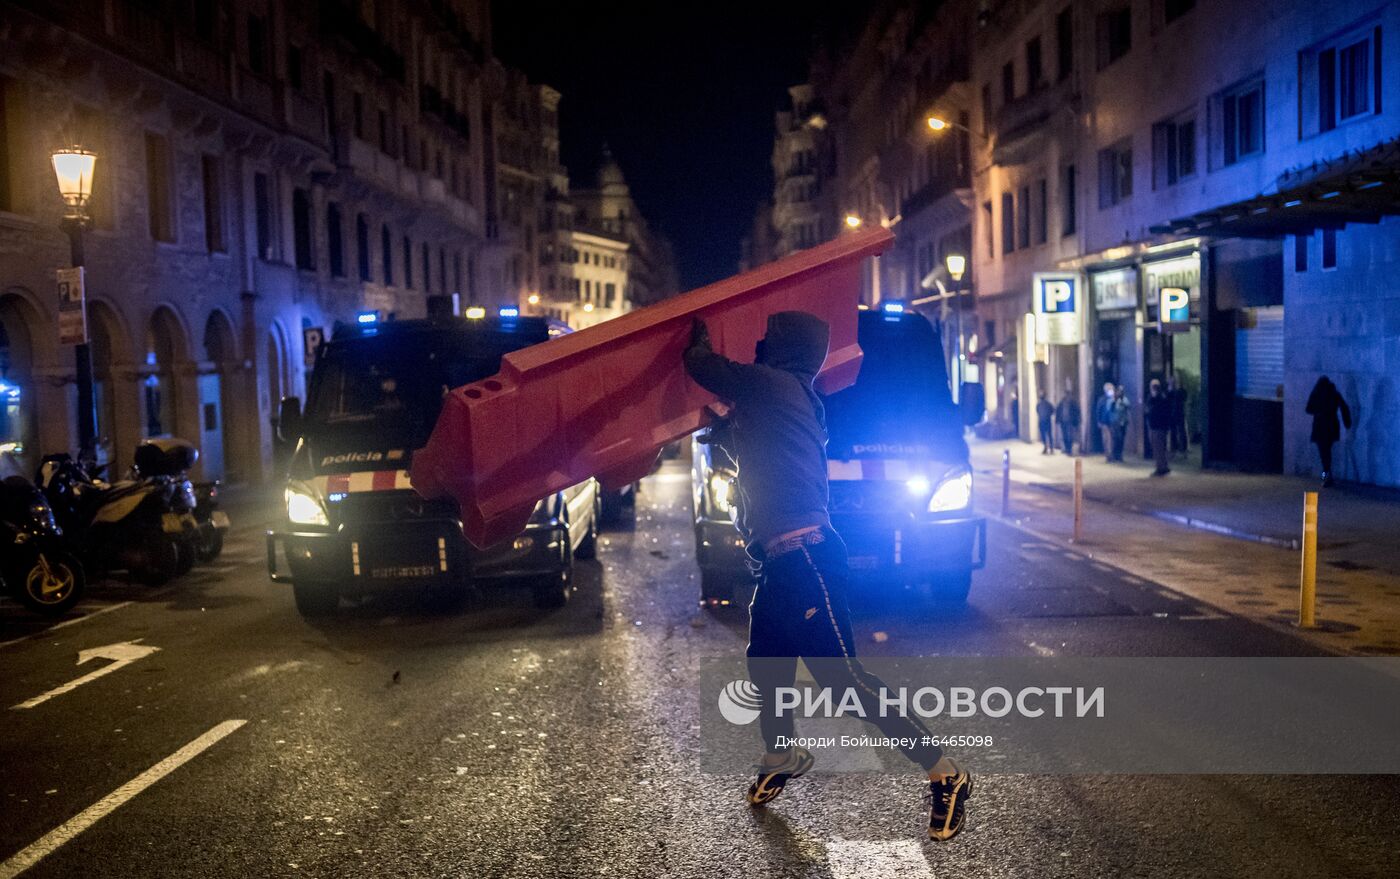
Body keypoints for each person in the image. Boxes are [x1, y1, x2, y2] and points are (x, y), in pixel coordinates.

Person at [683, 312, 972, 842]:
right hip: (782, 562)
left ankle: (944, 771)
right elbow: (749, 453)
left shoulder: (774, 387)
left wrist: (694, 334)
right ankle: (781, 754)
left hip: (809, 558)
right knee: (766, 662)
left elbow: (704, 367)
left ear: (786, 348)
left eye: (769, 339)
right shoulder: (784, 397)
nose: (760, 346)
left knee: (843, 681)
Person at [1305, 375, 1351, 487]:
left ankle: (1325, 477)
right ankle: (1327, 476)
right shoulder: (1334, 393)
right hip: (1331, 426)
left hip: (1320, 427)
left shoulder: (1316, 393)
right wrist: (1347, 423)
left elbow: (1308, 409)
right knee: (1327, 454)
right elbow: (1344, 407)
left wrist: (1319, 411)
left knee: (1324, 455)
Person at [1145, 379, 1172, 476]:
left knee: (1158, 448)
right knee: (1161, 447)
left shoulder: (1158, 397)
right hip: (1158, 426)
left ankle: (1160, 467)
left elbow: (1155, 410)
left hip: (1157, 426)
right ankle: (1163, 466)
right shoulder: (1160, 397)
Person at [1167, 375, 1188, 457]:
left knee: (1181, 431)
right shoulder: (1170, 391)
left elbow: (1183, 398)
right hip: (1172, 414)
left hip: (1179, 413)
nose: (1172, 383)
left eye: (1173, 382)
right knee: (1173, 432)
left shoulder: (1180, 391)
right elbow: (1167, 400)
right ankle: (1174, 449)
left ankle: (1183, 449)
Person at [1095, 382, 1116, 462]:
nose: (1111, 391)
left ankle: (1112, 454)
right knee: (1107, 439)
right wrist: (1099, 421)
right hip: (1104, 422)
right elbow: (1098, 411)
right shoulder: (1102, 400)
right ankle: (1108, 455)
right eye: (1109, 389)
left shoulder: (1114, 399)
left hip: (1112, 422)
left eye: (1111, 389)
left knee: (1112, 439)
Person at [1055, 389, 1081, 456]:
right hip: (1063, 422)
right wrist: (1057, 420)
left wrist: (1077, 420)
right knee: (1065, 435)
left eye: (1068, 395)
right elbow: (1058, 411)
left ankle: (1069, 449)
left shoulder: (1073, 403)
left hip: (1070, 422)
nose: (1067, 396)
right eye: (1066, 394)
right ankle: (1067, 449)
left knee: (1070, 436)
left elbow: (1077, 411)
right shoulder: (1062, 402)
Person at [1110, 385, 1130, 462]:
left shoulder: (1125, 399)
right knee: (1116, 439)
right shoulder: (1114, 400)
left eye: (1121, 391)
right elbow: (1110, 409)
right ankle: (1115, 455)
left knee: (1121, 439)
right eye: (1119, 391)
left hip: (1123, 423)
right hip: (1115, 423)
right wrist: (1114, 401)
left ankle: (1119, 455)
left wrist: (1122, 402)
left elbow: (1128, 406)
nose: (1120, 393)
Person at [1036, 390, 1055, 454]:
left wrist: (1046, 415)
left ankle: (1048, 447)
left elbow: (1038, 411)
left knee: (1046, 435)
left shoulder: (1040, 405)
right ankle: (1048, 447)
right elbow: (1052, 410)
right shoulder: (1044, 404)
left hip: (1044, 421)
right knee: (1047, 435)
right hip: (1045, 421)